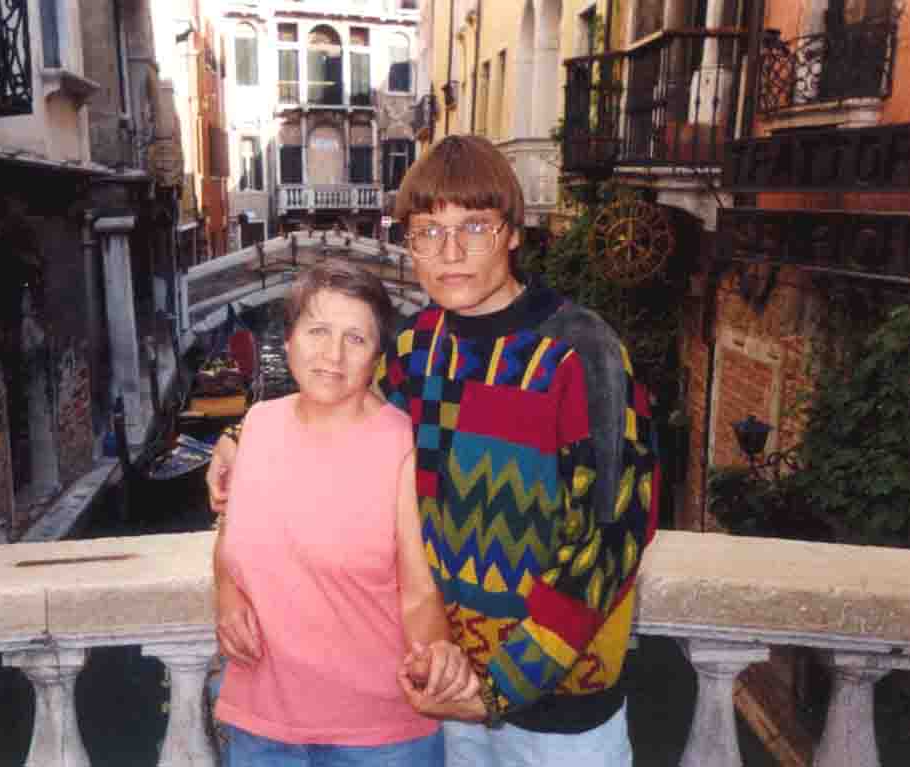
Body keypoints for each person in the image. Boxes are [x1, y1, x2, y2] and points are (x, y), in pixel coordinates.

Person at [209, 134, 658, 766]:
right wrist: (236, 440)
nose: (449, 252)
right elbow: (332, 404)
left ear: (512, 233)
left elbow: (611, 537)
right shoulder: (415, 350)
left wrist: (501, 687)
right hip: (444, 694)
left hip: (558, 715)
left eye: (473, 227)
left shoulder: (583, 354)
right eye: (428, 232)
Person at [212, 261, 477, 766]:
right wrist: (228, 595)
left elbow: (419, 592)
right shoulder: (257, 426)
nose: (332, 355)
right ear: (288, 340)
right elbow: (230, 540)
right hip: (260, 723)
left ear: (376, 358)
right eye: (318, 331)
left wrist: (434, 654)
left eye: (355, 339)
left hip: (379, 734)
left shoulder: (404, 446)